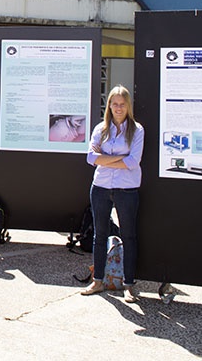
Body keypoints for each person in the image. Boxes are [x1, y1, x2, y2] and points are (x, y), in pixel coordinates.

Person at [82, 85, 145, 303]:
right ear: (109, 105)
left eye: (122, 104)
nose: (118, 108)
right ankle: (98, 280)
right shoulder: (101, 128)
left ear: (128, 106)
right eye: (114, 104)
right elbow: (91, 158)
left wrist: (105, 158)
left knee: (128, 236)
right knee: (100, 235)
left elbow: (133, 162)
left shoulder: (137, 130)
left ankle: (128, 285)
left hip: (126, 189)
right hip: (100, 187)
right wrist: (119, 158)